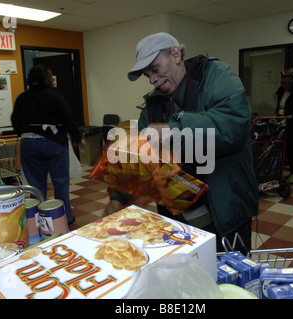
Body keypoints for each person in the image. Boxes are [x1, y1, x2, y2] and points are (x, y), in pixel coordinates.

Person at [104, 32, 259, 253]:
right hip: (176, 215)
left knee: (228, 276)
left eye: (155, 69)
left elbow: (233, 125)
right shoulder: (153, 105)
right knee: (187, 276)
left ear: (175, 54)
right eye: (147, 75)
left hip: (223, 208)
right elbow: (141, 158)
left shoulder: (217, 77)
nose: (153, 80)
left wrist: (176, 130)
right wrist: (119, 198)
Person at [11, 64, 81, 224]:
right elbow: (68, 118)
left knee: (35, 185)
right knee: (60, 182)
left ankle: (37, 220)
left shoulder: (22, 98)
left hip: (29, 144)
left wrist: (26, 135)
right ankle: (65, 218)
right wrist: (77, 137)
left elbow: (15, 122)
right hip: (54, 143)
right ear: (46, 80)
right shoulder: (54, 96)